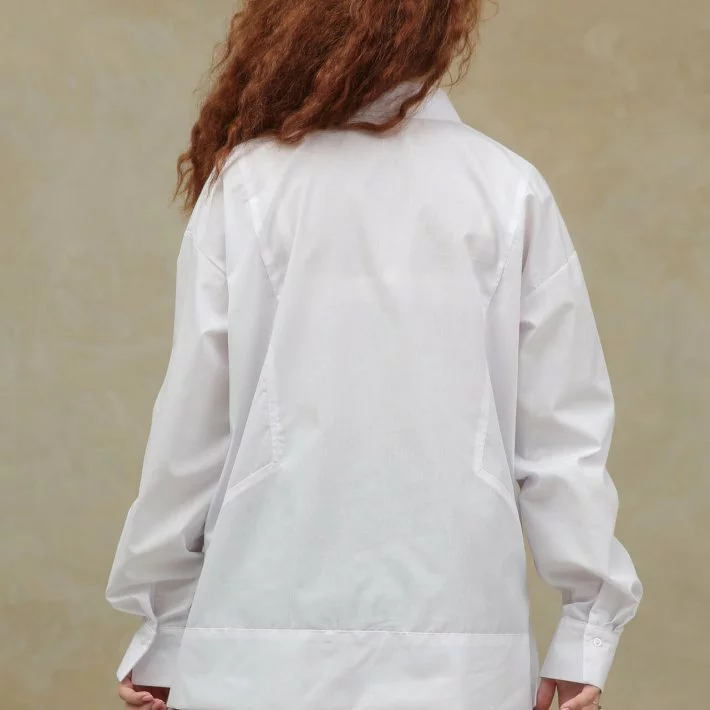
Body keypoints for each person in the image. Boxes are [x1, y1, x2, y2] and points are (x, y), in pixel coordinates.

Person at [106, 1, 642, 709]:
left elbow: (191, 434)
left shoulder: (249, 187)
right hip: (462, 661)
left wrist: (164, 631)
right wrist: (586, 632)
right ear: (444, 24)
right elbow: (562, 439)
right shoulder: (507, 190)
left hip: (255, 658)